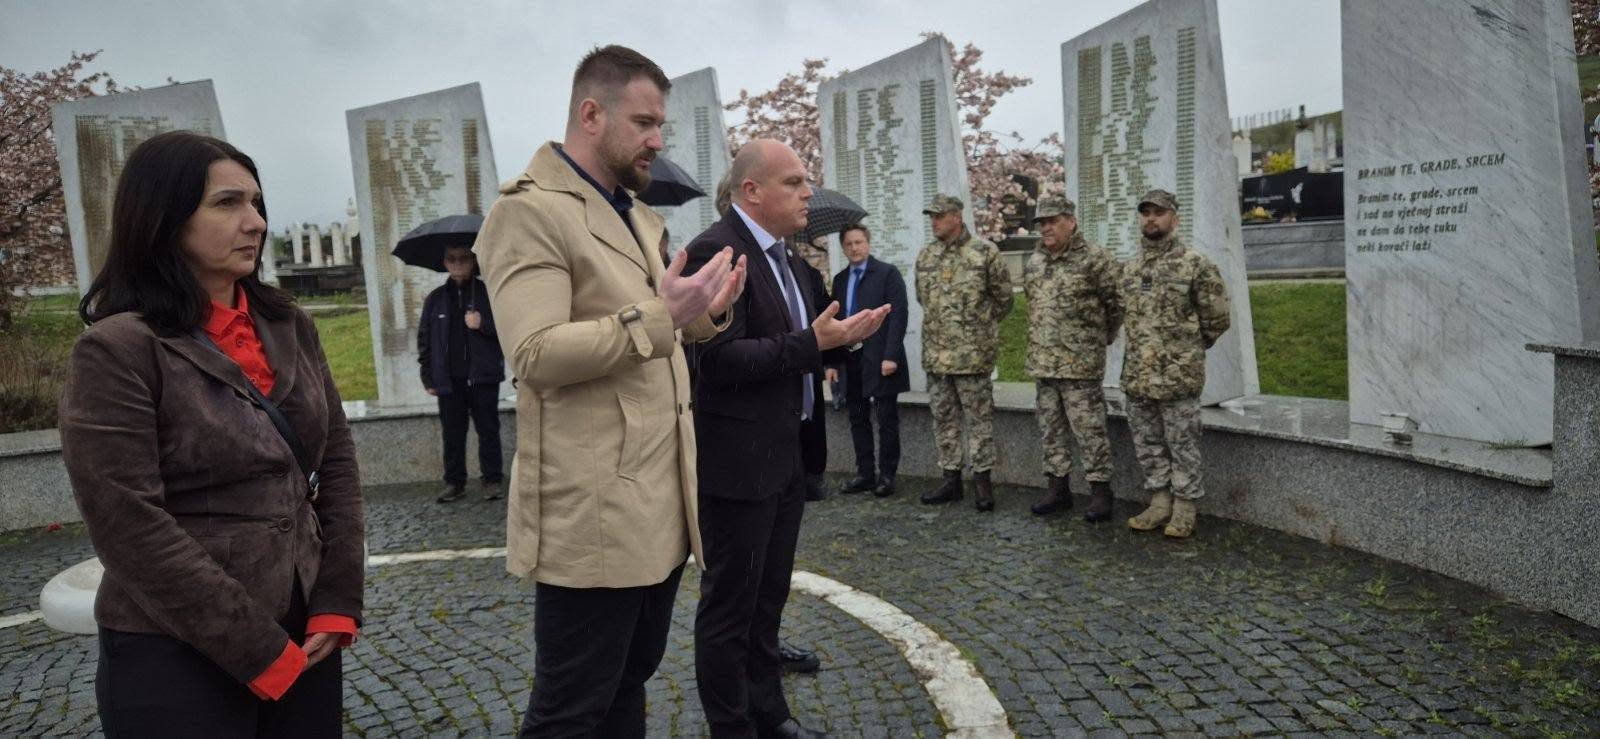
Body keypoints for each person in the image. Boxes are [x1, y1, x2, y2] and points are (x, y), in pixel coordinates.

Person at [474, 45, 747, 737]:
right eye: (645, 121)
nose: (658, 139)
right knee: (570, 711)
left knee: (629, 685)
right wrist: (666, 316)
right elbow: (534, 353)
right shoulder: (530, 212)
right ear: (590, 114)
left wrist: (705, 313)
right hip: (593, 514)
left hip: (656, 502)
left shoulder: (633, 212)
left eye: (662, 125)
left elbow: (657, 330)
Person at [59, 130, 364, 737]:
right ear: (164, 218)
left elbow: (335, 464)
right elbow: (127, 522)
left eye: (256, 203)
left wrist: (336, 599)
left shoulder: (288, 324)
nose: (254, 222)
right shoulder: (117, 349)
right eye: (227, 204)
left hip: (305, 627)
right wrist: (254, 648)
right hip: (174, 648)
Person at [685, 138, 888, 739]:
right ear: (752, 191)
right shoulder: (716, 251)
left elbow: (810, 337)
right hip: (737, 463)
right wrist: (813, 345)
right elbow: (714, 362)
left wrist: (844, 335)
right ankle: (733, 727)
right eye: (795, 182)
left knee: (768, 599)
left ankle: (771, 717)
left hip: (787, 456)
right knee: (730, 608)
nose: (808, 192)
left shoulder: (795, 261)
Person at [1120, 189, 1231, 538]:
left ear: (1174, 218)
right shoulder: (1131, 267)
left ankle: (1184, 507)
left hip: (1178, 376)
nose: (1151, 219)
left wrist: (1188, 350)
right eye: (1146, 213)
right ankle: (1159, 502)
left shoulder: (1195, 264)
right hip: (1139, 375)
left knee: (1182, 443)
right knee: (1148, 442)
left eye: (1159, 212)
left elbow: (1217, 316)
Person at [1022, 196, 1124, 522]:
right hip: (1044, 362)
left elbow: (1117, 304)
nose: (1046, 228)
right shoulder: (1036, 261)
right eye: (1041, 223)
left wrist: (1097, 338)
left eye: (1052, 221)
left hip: (1080, 364)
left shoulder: (1095, 259)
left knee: (1090, 431)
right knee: (1050, 429)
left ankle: (1100, 492)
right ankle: (1058, 488)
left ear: (1071, 221)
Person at [914, 194, 1013, 511]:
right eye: (931, 216)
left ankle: (983, 483)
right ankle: (951, 479)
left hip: (973, 357)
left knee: (980, 422)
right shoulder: (927, 256)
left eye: (939, 216)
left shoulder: (985, 252)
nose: (934, 221)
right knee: (944, 421)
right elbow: (922, 298)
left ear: (957, 217)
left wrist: (977, 329)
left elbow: (1004, 300)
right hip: (938, 357)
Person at [826, 223, 909, 498]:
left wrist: (891, 355)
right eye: (849, 244)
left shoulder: (887, 273)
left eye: (859, 242)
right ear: (843, 247)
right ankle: (865, 473)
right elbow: (834, 324)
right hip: (851, 359)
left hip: (881, 357)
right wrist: (831, 364)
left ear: (868, 243)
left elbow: (898, 316)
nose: (854, 248)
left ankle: (886, 475)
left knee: (886, 419)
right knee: (857, 418)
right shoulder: (839, 280)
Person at [418, 244, 505, 503]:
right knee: (452, 433)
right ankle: (455, 482)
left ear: (473, 262)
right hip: (450, 380)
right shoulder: (435, 299)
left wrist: (483, 324)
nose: (457, 264)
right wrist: (428, 376)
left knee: (488, 430)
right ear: (445, 263)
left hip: (482, 377)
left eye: (463, 259)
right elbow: (425, 340)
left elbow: (506, 330)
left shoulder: (487, 295)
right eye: (451, 259)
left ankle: (492, 480)